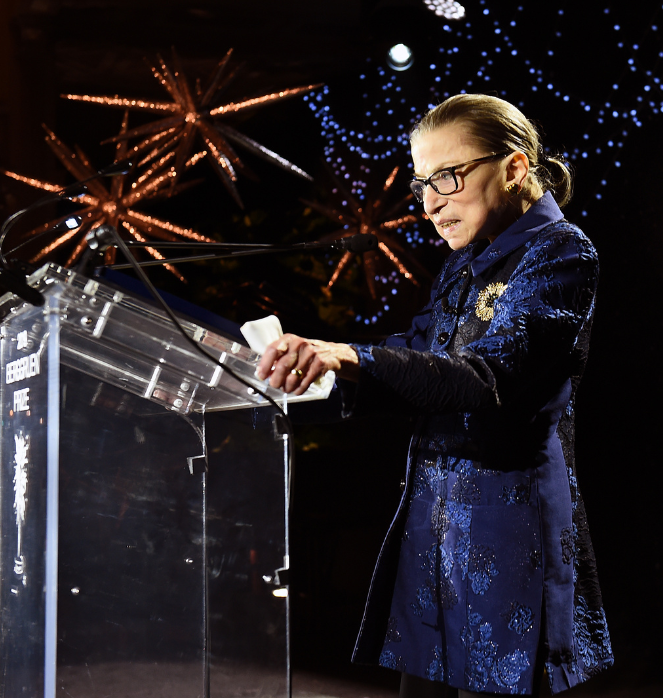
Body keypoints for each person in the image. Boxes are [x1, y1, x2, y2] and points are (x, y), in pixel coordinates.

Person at [256, 94, 612, 696]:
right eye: (423, 182)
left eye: (446, 176)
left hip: (509, 539)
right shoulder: (464, 262)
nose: (429, 204)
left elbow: (484, 378)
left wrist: (354, 357)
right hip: (435, 534)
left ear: (515, 167)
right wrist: (326, 361)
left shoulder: (561, 252)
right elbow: (419, 352)